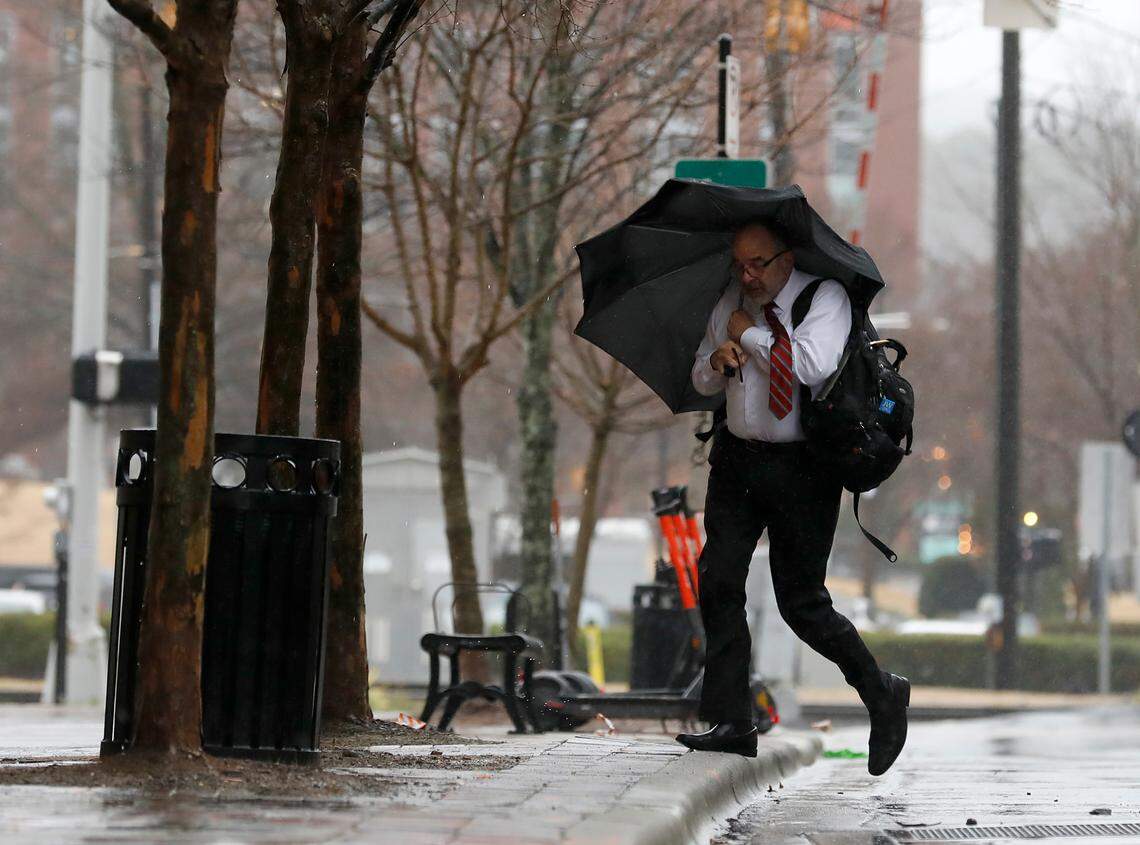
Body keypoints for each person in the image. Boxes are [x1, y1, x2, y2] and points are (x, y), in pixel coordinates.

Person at [674, 221, 909, 776]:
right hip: (738, 460)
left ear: (785, 258)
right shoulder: (728, 302)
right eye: (739, 264)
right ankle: (733, 721)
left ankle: (880, 692)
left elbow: (808, 365)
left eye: (758, 263)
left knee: (801, 602)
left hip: (806, 467)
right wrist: (718, 358)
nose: (747, 275)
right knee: (719, 579)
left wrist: (749, 335)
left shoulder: (823, 296)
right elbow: (701, 381)